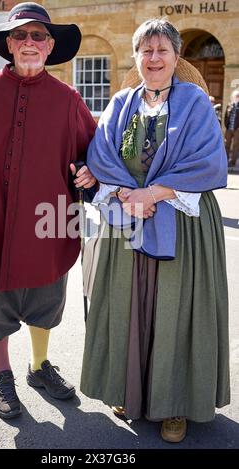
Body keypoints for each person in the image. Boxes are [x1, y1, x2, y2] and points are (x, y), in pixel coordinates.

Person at [0, 2, 96, 420]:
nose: (29, 43)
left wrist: (88, 173)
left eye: (38, 36)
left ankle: (40, 366)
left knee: (46, 296)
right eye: (21, 35)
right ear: (9, 44)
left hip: (46, 219)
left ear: (50, 47)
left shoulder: (68, 99)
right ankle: (2, 374)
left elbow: (91, 153)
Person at [80, 18, 230, 443]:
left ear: (176, 57)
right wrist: (129, 196)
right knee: (130, 307)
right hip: (130, 221)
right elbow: (102, 153)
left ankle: (174, 405)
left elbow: (208, 162)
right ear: (137, 57)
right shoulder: (122, 103)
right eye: (146, 50)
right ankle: (131, 390)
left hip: (183, 224)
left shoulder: (197, 104)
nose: (154, 58)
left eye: (162, 50)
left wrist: (157, 193)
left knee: (175, 312)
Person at [224, 89, 239, 167]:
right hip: (229, 128)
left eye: (238, 96)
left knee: (236, 146)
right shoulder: (229, 105)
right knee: (227, 144)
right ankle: (225, 160)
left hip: (237, 129)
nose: (237, 97)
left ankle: (233, 162)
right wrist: (226, 125)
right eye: (236, 96)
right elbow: (226, 116)